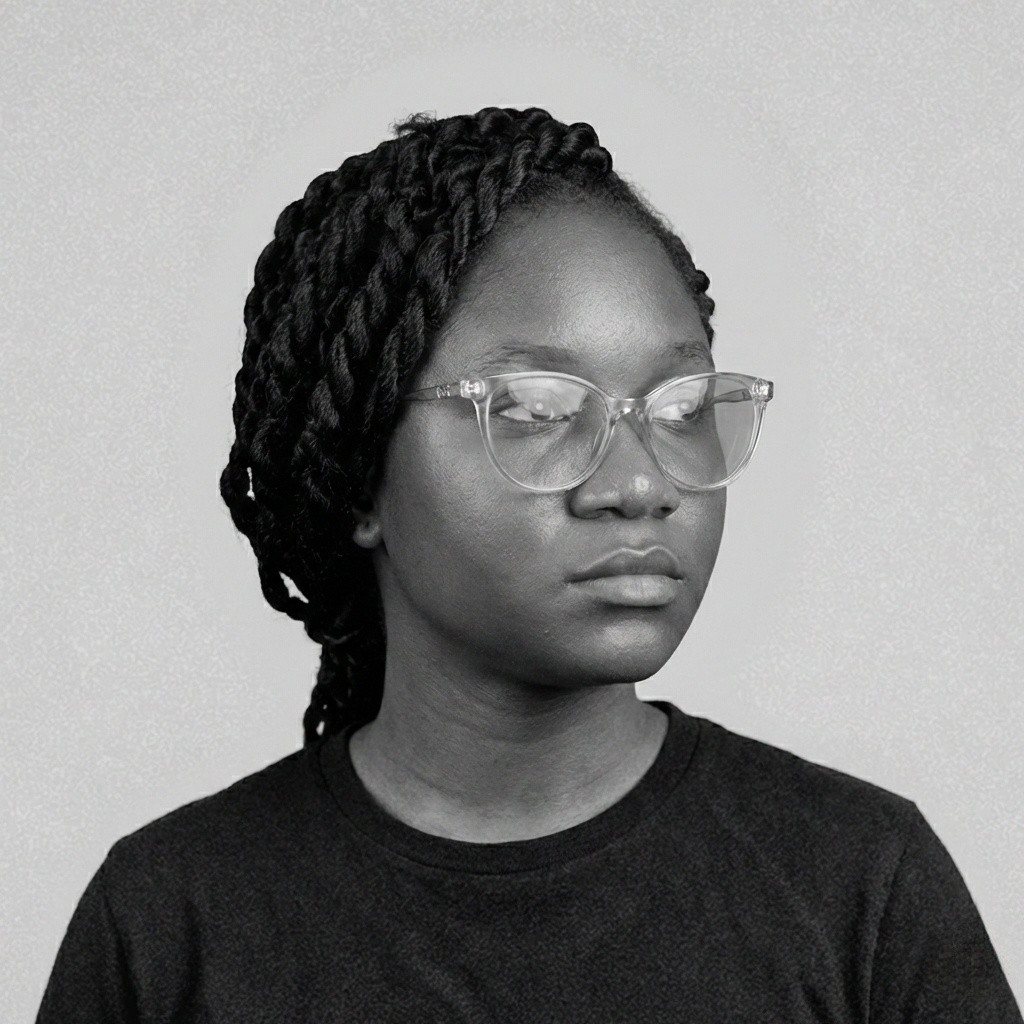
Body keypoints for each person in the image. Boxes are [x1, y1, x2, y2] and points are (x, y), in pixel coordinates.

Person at [36, 106, 1021, 1023]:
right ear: (359, 474)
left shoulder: (859, 889)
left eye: (681, 409)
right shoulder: (171, 925)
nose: (639, 485)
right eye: (539, 410)